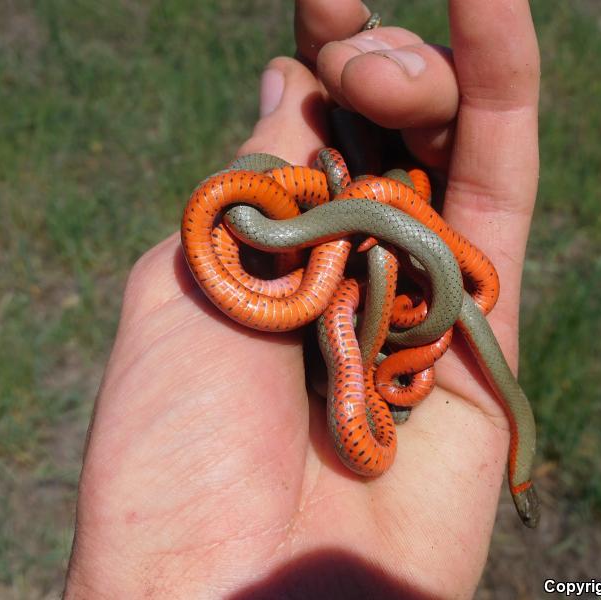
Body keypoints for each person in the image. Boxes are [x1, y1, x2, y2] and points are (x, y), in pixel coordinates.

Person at [63, 0, 540, 597]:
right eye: (520, 497)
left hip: (367, 267)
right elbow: (274, 206)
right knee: (365, 155)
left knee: (389, 185)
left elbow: (436, 283)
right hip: (338, 239)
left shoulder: (397, 321)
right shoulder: (307, 216)